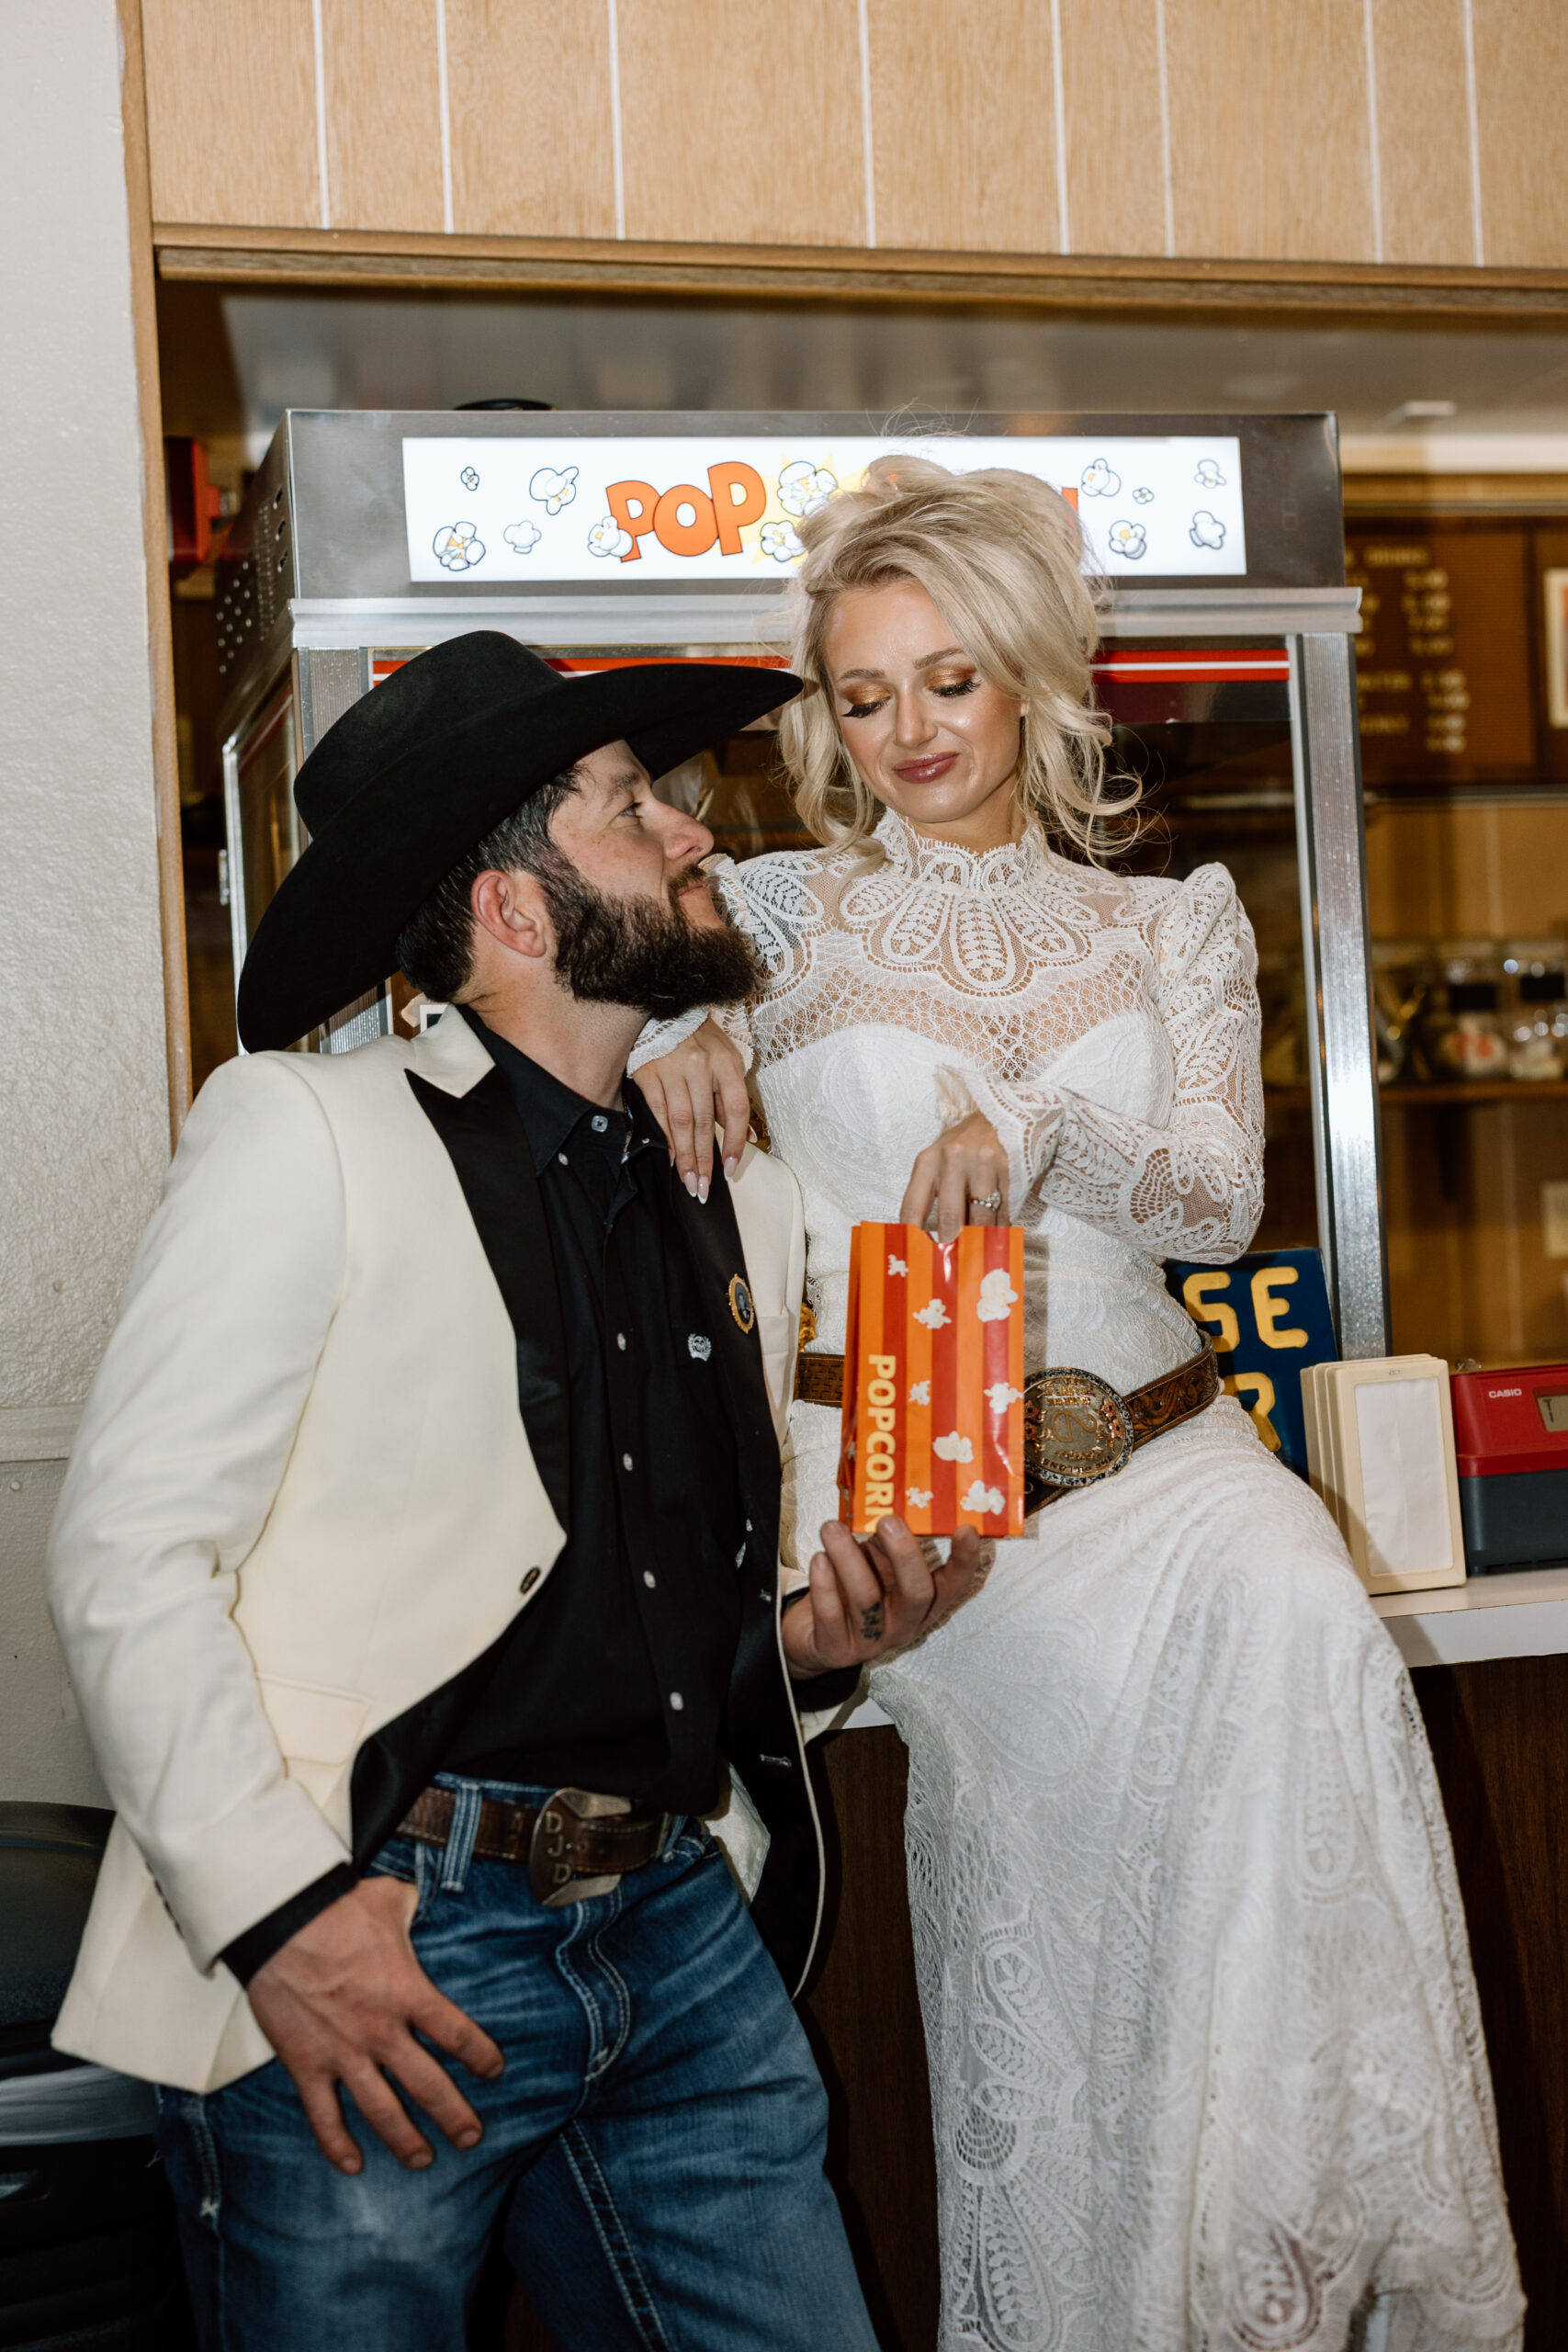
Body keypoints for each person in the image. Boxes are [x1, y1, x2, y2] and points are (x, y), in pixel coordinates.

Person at [633, 461, 1524, 2352]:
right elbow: (533, 1028)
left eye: (946, 681)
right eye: (862, 695)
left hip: (1175, 1459)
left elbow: (1216, 1192)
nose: (906, 733)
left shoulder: (1167, 923)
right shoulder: (768, 915)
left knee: (1303, 1612)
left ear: (1030, 674)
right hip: (944, 1498)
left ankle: (1296, 2279)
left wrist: (1034, 1124)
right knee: (1082, 1982)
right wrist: (677, 1027)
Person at [44, 631, 984, 2352]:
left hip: (681, 1924)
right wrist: (281, 1920)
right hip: (389, 1929)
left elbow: (662, 1604)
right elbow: (124, 1556)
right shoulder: (301, 1131)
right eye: (636, 807)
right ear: (520, 912)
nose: (698, 833)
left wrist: (828, 1641)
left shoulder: (736, 1198)